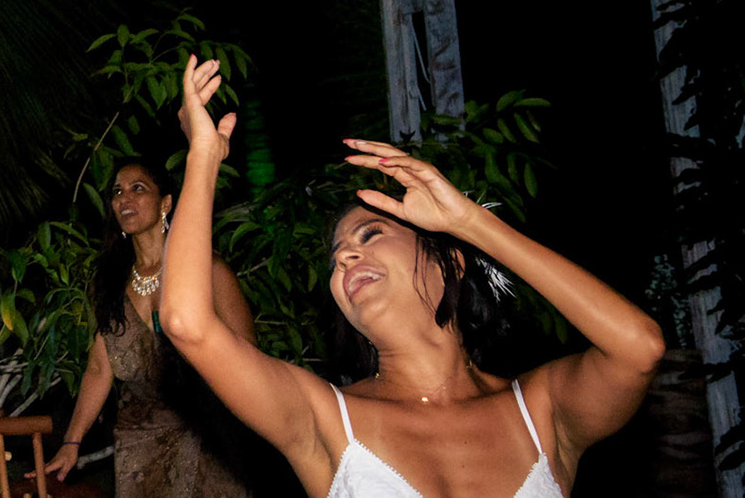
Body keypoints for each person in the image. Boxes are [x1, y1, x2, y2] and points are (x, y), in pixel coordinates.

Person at [160, 56, 666, 497]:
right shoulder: (324, 418)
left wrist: (471, 223)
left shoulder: (540, 411)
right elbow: (187, 322)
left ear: (450, 260)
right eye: (336, 256)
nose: (344, 260)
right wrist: (203, 157)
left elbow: (637, 348)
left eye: (370, 235)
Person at [41, 156, 257, 494]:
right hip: (139, 448)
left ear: (165, 203)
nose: (124, 199)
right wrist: (71, 443)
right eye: (117, 192)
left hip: (209, 439)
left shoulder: (207, 271)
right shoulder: (111, 283)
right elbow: (99, 368)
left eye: (138, 189)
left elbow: (248, 356)